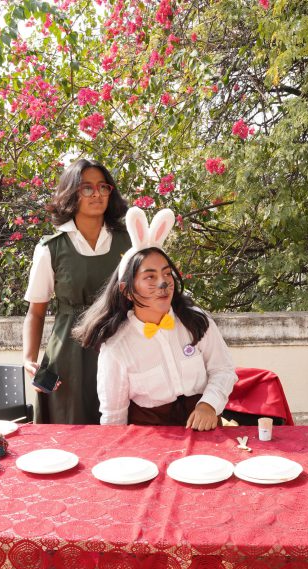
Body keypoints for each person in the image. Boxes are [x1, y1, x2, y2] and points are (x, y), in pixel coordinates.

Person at [74, 207, 237, 430]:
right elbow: (113, 416)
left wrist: (208, 405)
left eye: (167, 273)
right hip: (150, 437)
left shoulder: (196, 322)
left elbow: (223, 369)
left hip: (205, 429)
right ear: (127, 291)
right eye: (150, 276)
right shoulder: (116, 347)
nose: (163, 283)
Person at [22, 160, 132, 424]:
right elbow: (36, 312)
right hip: (69, 355)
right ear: (71, 193)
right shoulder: (50, 249)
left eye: (103, 187)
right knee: (70, 430)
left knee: (123, 430)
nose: (97, 194)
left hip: (121, 343)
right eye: (87, 188)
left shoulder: (129, 241)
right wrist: (29, 359)